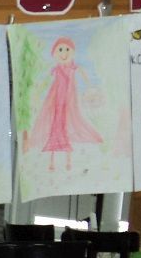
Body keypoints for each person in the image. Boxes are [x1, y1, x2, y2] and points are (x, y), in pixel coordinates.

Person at [24, 37, 102, 172]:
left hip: (69, 104)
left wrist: (90, 87)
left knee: (66, 128)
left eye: (67, 49)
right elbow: (46, 82)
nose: (64, 53)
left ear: (72, 52)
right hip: (56, 104)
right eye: (60, 49)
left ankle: (68, 161)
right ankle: (52, 162)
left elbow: (83, 74)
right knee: (55, 127)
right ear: (54, 53)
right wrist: (37, 92)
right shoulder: (56, 69)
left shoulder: (73, 68)